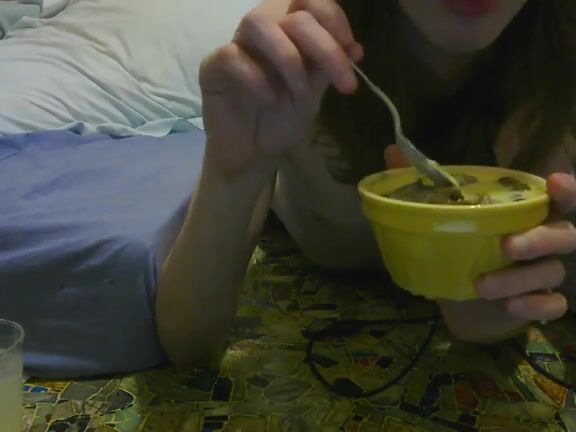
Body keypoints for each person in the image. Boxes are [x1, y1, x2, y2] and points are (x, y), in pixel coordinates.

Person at [155, 0, 576, 367]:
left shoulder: (559, 65)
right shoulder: (297, 48)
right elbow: (188, 344)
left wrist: (511, 307)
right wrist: (231, 171)